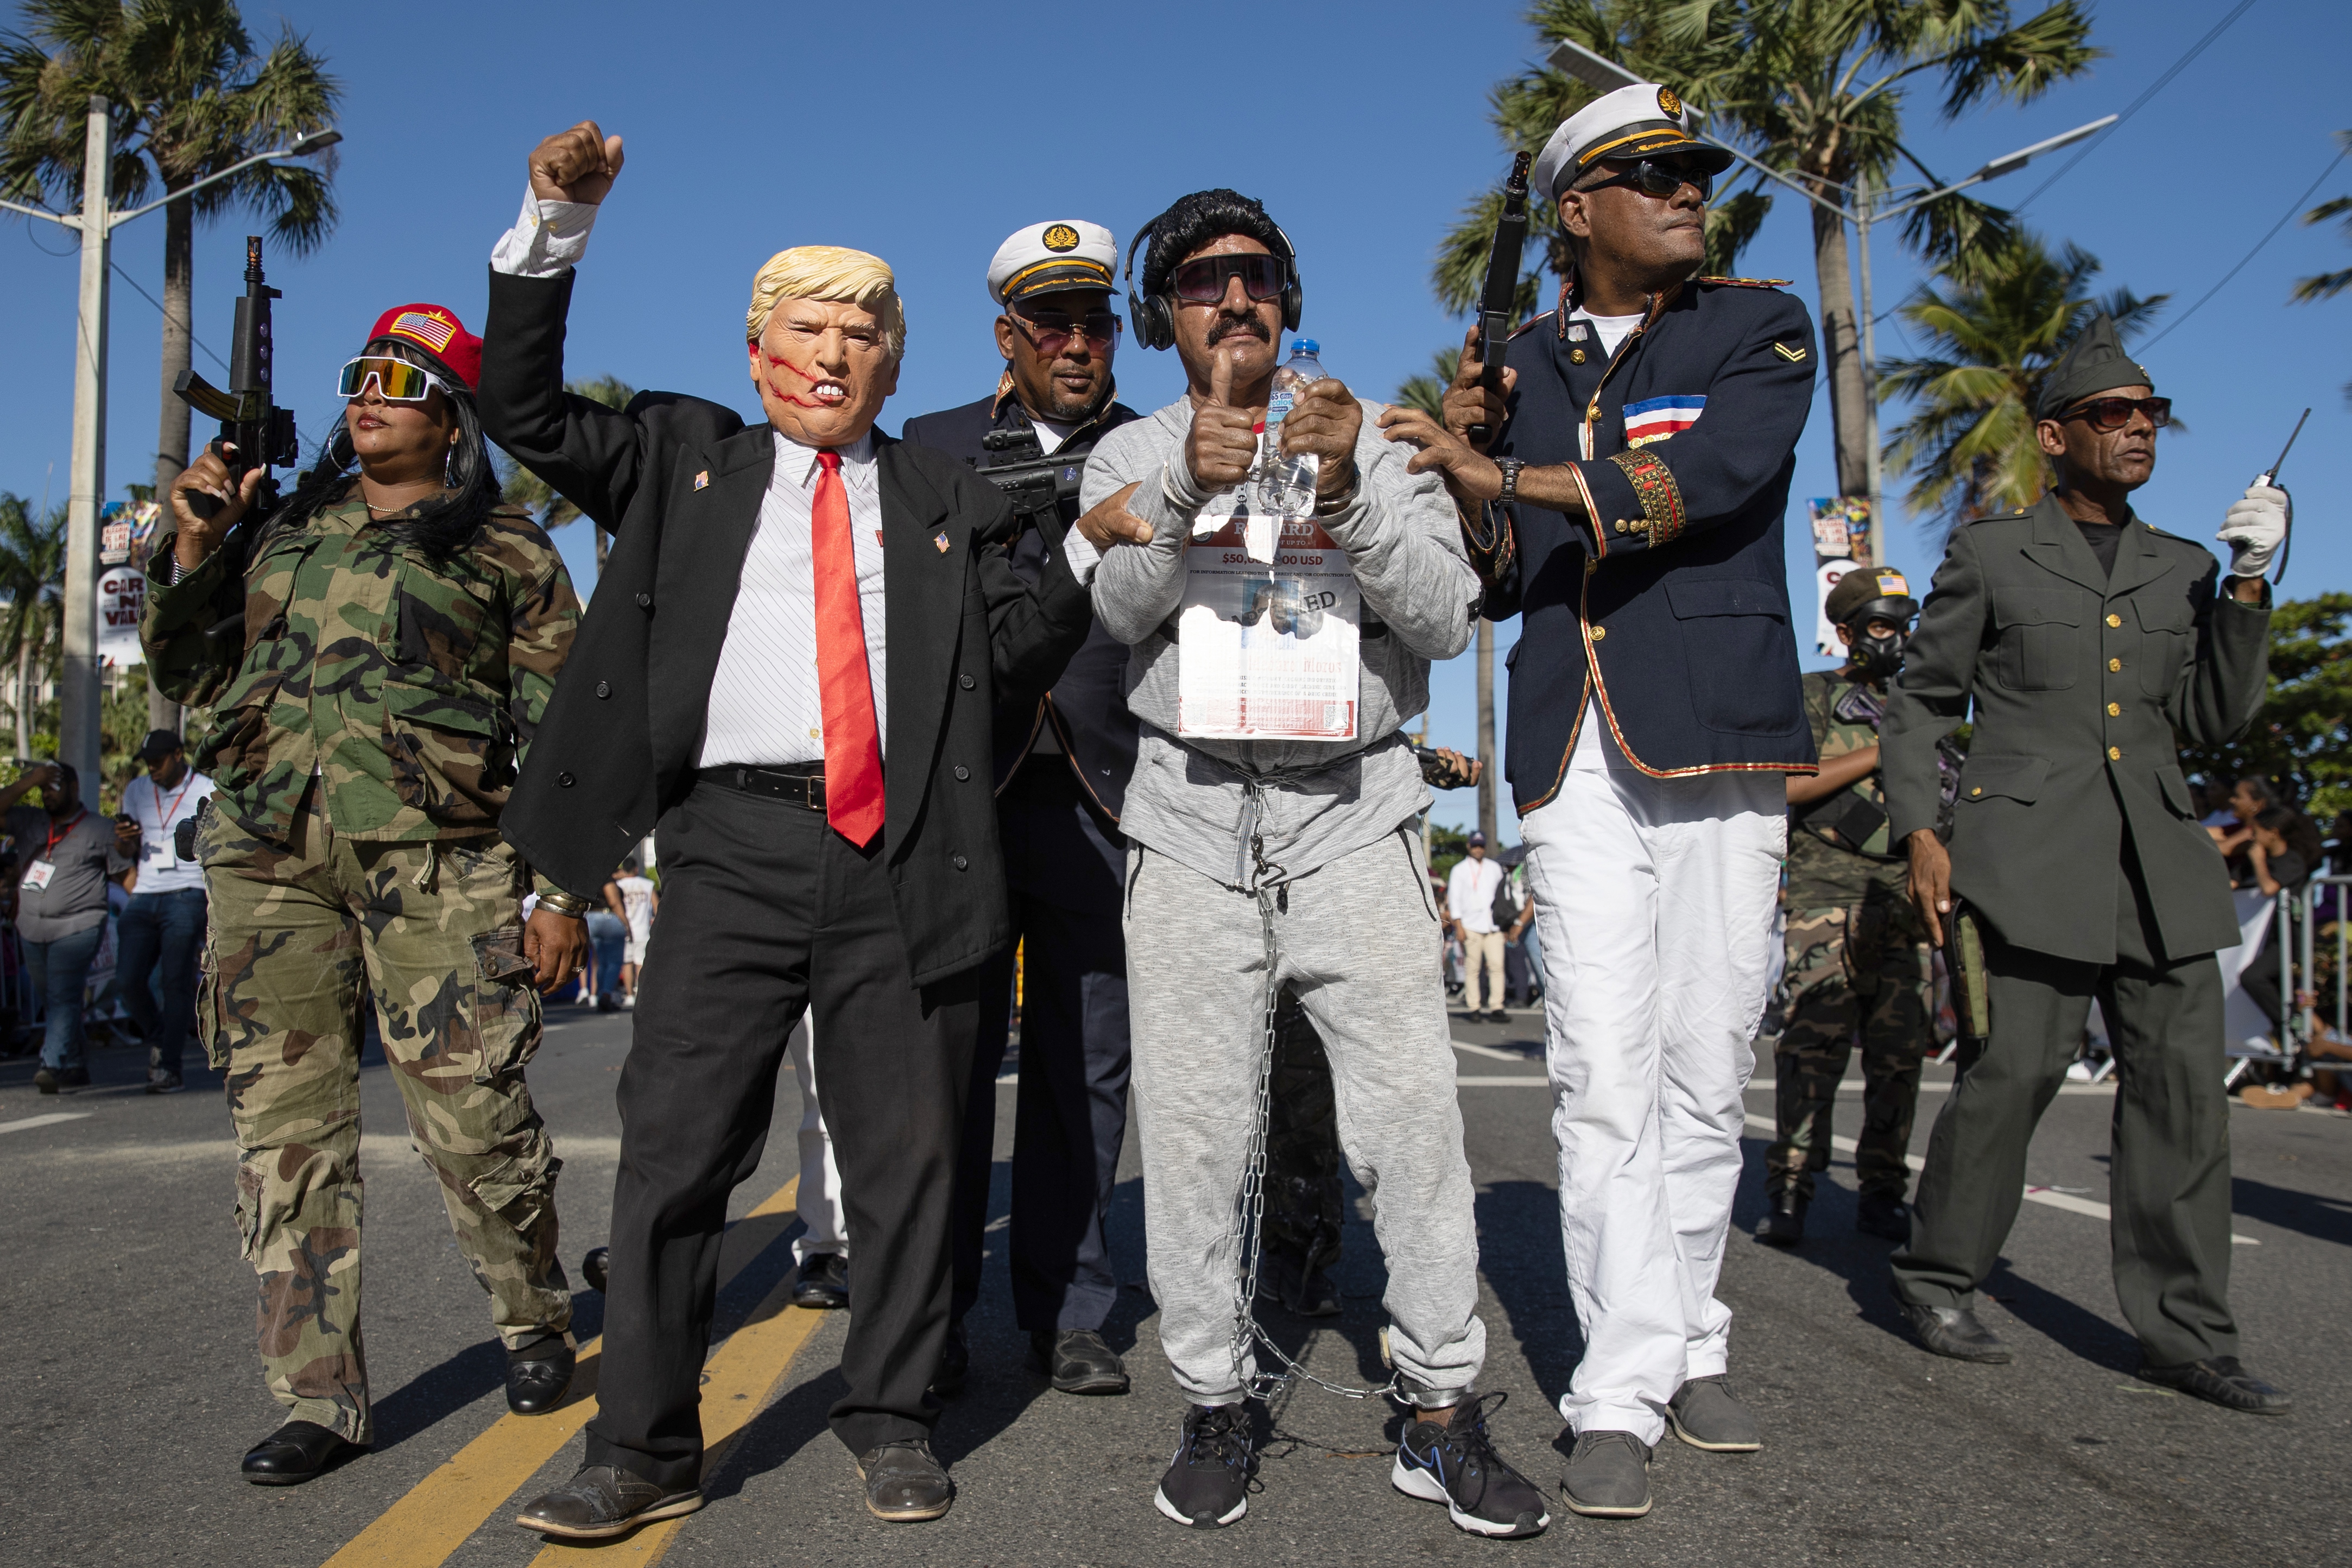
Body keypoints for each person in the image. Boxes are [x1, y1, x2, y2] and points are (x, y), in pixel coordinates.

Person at [482, 121, 1093, 1535]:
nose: (834, 354)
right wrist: (552, 224)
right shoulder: (681, 461)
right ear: (760, 351)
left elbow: (1008, 662)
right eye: (808, 330)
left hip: (903, 858)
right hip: (727, 849)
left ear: (895, 362)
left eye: (863, 334)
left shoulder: (946, 500)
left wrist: (1090, 557)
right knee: (675, 1151)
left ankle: (891, 1413)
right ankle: (642, 1445)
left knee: (909, 1158)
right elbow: (519, 405)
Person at [1066, 186, 1547, 1539]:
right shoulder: (1128, 448)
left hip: (1351, 810)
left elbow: (1447, 619)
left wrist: (1342, 486)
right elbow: (1115, 607)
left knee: (1407, 1126)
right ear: (1162, 315)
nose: (1233, 299)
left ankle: (1439, 1406)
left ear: (1286, 295)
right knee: (1200, 1128)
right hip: (1190, 816)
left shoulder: (1371, 431)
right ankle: (1215, 1395)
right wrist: (1181, 488)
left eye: (1256, 276)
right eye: (1201, 281)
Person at [1383, 81, 1819, 1519]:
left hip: (1719, 731)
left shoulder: (1755, 328)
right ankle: (1617, 1386)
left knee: (1704, 1066)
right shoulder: (1519, 354)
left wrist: (1498, 465)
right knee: (1597, 1072)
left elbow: (1707, 477)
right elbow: (1504, 575)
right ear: (1576, 211)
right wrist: (1464, 488)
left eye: (1690, 172)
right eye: (1650, 175)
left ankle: (1691, 1333)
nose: (1687, 190)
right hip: (1572, 747)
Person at [144, 298, 586, 1483]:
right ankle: (319, 1396)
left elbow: (559, 732)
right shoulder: (275, 527)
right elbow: (186, 671)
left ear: (450, 417)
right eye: (361, 372)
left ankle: (534, 1314)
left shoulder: (509, 549)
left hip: (438, 863)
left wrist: (558, 891)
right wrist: (192, 550)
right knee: (284, 1140)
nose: (370, 393)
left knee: (476, 1116)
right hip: (270, 857)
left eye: (399, 378)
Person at [1882, 314, 2290, 1415]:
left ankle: (2187, 1333)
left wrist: (2251, 583)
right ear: (2056, 438)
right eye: (2111, 415)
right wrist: (1924, 831)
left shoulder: (2187, 567)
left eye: (2148, 415)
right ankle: (1939, 1274)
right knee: (2012, 1076)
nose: (2136, 430)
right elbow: (1921, 703)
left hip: (2158, 861)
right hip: (2027, 856)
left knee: (2183, 1104)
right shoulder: (1993, 553)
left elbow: (2214, 715)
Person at [901, 219, 1143, 1399]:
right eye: (1053, 324)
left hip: (1107, 785)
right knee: (943, 1069)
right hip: (968, 789)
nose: (1079, 344)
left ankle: (1074, 1310)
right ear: (1009, 336)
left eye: (1096, 321)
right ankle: (931, 1318)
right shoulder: (933, 446)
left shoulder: (1159, 445)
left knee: (1086, 1063)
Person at [1756, 568, 1934, 1247]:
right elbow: (1790, 781)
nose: (1896, 641)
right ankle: (1792, 1186)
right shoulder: (1817, 695)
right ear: (1847, 633)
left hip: (1904, 899)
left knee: (1900, 1056)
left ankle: (1884, 1190)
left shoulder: (1924, 701)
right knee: (1813, 1047)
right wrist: (1882, 750)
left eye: (1903, 625)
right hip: (1827, 897)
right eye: (1881, 627)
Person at [8, 761, 127, 1093]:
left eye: (54, 787)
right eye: (44, 789)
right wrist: (29, 781)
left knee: (63, 994)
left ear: (75, 789)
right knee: (55, 998)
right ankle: (74, 1064)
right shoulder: (30, 821)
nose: (48, 794)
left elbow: (125, 872)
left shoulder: (101, 829)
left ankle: (53, 1062)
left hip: (79, 926)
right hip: (32, 927)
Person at [113, 729, 215, 1092]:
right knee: (126, 979)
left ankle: (169, 1067)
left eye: (158, 761)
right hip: (144, 893)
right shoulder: (137, 790)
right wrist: (124, 840)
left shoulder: (205, 787)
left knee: (174, 981)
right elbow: (127, 852)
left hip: (187, 893)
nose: (152, 768)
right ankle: (162, 1036)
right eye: (148, 763)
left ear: (177, 755)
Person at [1446, 831, 1507, 1022]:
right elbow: (1454, 899)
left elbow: (1503, 897)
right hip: (1470, 924)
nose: (1478, 849)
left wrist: (1506, 923)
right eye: (1475, 846)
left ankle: (1497, 1006)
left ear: (1485, 847)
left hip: (1493, 925)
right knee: (1473, 968)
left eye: (1481, 846)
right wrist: (1459, 926)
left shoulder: (1495, 868)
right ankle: (1474, 1007)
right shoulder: (1460, 869)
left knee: (1497, 966)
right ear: (1469, 846)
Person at [611, 856, 656, 1006]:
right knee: (641, 963)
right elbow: (657, 908)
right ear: (636, 869)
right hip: (643, 928)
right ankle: (642, 993)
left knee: (627, 963)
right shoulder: (647, 884)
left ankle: (630, 995)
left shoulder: (618, 885)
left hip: (625, 929)